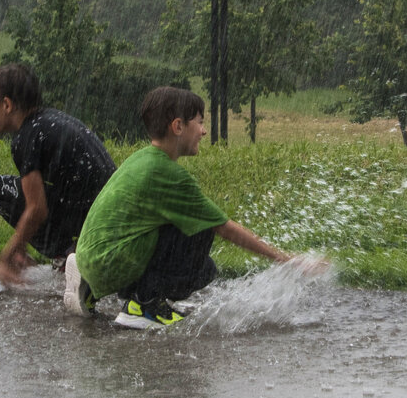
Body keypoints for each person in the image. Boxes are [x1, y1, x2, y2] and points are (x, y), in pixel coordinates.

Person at [67, 86, 327, 329]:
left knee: (204, 266)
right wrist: (288, 260)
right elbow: (225, 228)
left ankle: (97, 285)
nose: (203, 131)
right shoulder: (168, 174)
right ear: (178, 126)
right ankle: (143, 306)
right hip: (110, 263)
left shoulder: (141, 158)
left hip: (92, 257)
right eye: (200, 122)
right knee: (200, 235)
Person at [0, 63, 116, 288]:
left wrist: (7, 255)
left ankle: (67, 257)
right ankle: (73, 249)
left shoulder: (27, 138)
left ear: (7, 105)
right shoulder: (50, 120)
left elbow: (37, 209)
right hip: (105, 215)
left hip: (93, 220)